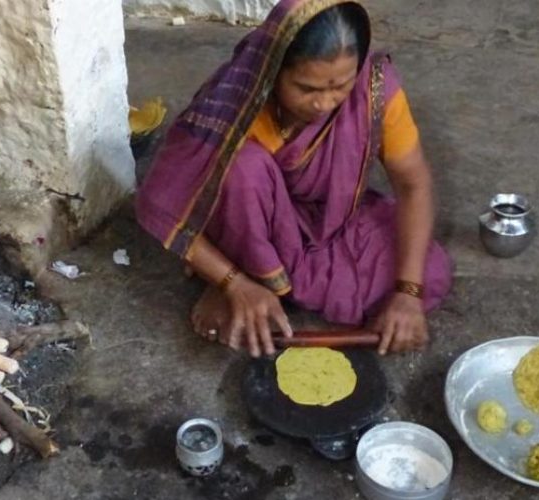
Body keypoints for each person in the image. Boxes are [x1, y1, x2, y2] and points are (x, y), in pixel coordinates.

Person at [136, 0, 452, 358]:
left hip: (331, 220)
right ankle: (245, 277)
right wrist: (232, 282)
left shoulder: (375, 89)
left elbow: (413, 184)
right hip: (240, 217)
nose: (324, 104)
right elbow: (164, 201)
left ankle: (269, 285)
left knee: (424, 266)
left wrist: (407, 293)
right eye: (307, 88)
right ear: (274, 69)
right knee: (243, 168)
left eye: (340, 86)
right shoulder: (236, 104)